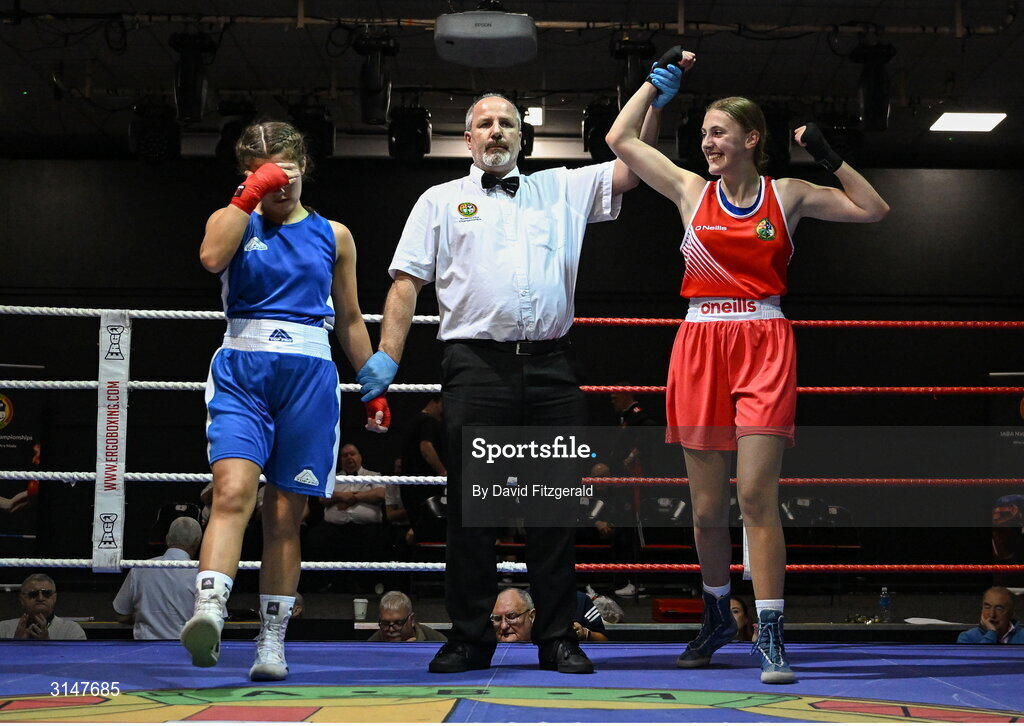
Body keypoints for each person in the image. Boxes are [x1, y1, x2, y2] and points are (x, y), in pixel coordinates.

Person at [606, 51, 889, 684]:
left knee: (757, 496)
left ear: (750, 139)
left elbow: (874, 210)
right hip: (702, 340)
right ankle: (713, 616)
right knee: (707, 510)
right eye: (702, 132)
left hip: (764, 339)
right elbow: (619, 139)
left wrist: (827, 154)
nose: (704, 142)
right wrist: (654, 87)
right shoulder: (688, 190)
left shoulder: (785, 195)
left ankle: (769, 632)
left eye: (716, 133)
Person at [356, 92, 661, 675]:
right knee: (474, 511)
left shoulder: (562, 188)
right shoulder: (439, 200)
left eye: (506, 124)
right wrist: (387, 358)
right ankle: (469, 639)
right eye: (484, 124)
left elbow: (633, 167)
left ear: (524, 137)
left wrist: (653, 101)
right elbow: (404, 284)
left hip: (552, 366)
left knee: (553, 510)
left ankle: (556, 637)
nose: (496, 132)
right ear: (467, 140)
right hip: (475, 366)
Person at [180, 121, 390, 682]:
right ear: (250, 176)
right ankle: (209, 612)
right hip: (244, 370)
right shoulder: (233, 221)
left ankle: (271, 641)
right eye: (270, 176)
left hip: (310, 376)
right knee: (232, 492)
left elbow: (347, 316)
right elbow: (209, 257)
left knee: (284, 514)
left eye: (289, 175)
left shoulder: (335, 234)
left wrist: (372, 383)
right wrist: (250, 193)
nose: (282, 186)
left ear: (305, 172)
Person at [302, 443, 387, 592]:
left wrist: (353, 498)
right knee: (314, 538)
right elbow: (323, 499)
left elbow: (380, 494)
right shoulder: (333, 478)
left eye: (352, 454)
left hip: (367, 527)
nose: (349, 457)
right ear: (340, 459)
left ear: (360, 457)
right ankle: (325, 582)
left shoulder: (373, 475)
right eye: (344, 455)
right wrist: (342, 495)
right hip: (335, 527)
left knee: (378, 538)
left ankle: (369, 584)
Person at [113, 516, 202, 639]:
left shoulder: (139, 568)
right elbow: (218, 617)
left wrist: (146, 617)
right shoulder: (202, 574)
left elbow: (121, 615)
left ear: (167, 539)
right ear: (197, 542)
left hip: (145, 653)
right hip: (185, 651)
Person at [397, 394, 447, 544]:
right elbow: (426, 447)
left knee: (421, 532)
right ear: (434, 402)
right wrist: (443, 473)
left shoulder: (413, 422)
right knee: (432, 532)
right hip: (425, 489)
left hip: (411, 488)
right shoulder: (428, 420)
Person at [491, 588, 607, 643]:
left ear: (532, 616)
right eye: (497, 619)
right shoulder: (517, 598)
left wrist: (585, 633)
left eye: (511, 617)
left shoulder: (580, 601)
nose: (504, 626)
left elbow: (605, 640)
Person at [0, 574, 86, 640]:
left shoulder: (71, 630)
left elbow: (77, 663)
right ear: (22, 599)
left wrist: (46, 645)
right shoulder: (3, 629)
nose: (40, 598)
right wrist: (14, 644)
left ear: (54, 598)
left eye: (47, 593)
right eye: (33, 594)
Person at [368, 590, 447, 642]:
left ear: (412, 620)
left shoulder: (433, 639)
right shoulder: (373, 643)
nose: (391, 630)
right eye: (385, 623)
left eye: (398, 623)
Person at [957, 586, 1024, 644]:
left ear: (1011, 613)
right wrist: (992, 633)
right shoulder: (967, 638)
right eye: (987, 607)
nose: (992, 615)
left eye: (999, 608)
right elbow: (980, 658)